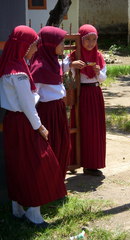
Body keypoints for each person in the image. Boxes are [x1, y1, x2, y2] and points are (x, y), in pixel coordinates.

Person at [0, 25, 66, 227]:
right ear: (24, 45)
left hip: (12, 121)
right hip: (24, 123)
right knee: (39, 166)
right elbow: (28, 105)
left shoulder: (8, 66)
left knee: (18, 165)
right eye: (33, 45)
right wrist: (40, 127)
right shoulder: (19, 73)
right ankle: (33, 213)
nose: (36, 49)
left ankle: (17, 208)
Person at [65, 24, 107, 176]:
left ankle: (92, 164)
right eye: (87, 39)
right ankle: (74, 160)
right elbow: (63, 69)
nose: (90, 43)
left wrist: (98, 73)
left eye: (94, 39)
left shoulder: (99, 56)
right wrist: (72, 65)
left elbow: (103, 78)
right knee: (80, 127)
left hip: (95, 94)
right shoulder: (74, 56)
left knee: (94, 128)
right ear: (80, 39)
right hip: (80, 94)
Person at [30, 26, 70, 179]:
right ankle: (51, 184)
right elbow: (33, 95)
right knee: (52, 146)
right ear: (50, 44)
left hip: (58, 108)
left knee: (63, 144)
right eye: (61, 42)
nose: (63, 46)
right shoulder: (39, 67)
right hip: (48, 112)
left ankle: (59, 181)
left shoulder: (53, 62)